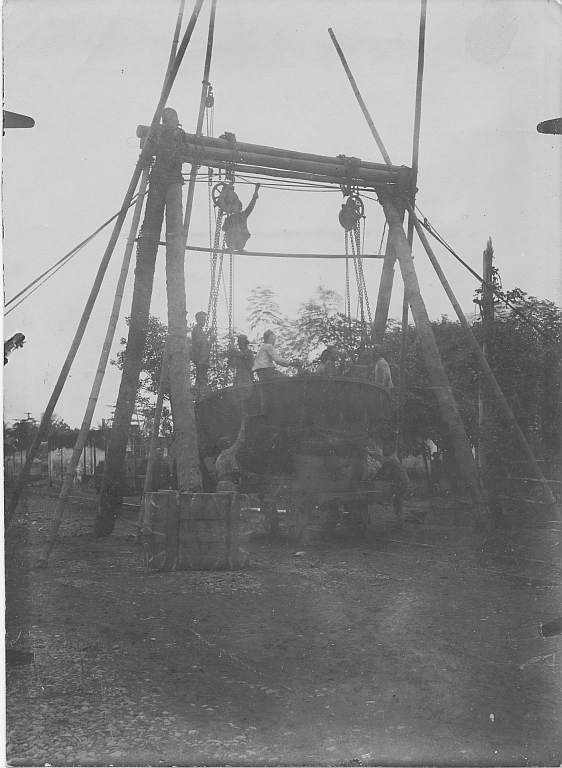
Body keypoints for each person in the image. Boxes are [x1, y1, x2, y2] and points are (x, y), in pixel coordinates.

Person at [223, 184, 260, 251]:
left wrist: (255, 192)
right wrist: (227, 222)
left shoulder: (243, 215)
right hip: (231, 243)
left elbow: (251, 206)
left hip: (240, 242)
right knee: (231, 231)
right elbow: (224, 229)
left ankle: (237, 247)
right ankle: (232, 247)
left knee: (236, 231)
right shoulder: (230, 218)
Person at [191, 311, 210, 387]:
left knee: (202, 375)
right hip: (200, 357)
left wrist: (208, 335)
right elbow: (199, 342)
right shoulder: (196, 329)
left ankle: (201, 388)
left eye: (204, 319)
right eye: (202, 319)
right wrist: (208, 336)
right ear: (198, 320)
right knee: (201, 376)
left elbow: (204, 344)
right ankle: (200, 389)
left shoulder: (201, 330)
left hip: (203, 357)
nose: (204, 321)